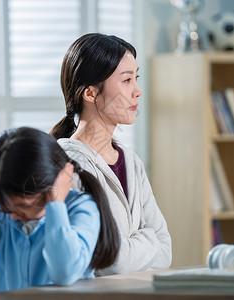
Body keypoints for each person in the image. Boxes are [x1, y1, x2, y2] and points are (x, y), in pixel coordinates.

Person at [0, 127, 119, 294]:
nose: (13, 215)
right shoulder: (3, 215)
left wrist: (55, 205)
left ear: (52, 185)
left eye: (23, 206)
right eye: (7, 207)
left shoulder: (80, 209)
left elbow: (64, 272)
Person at [50, 33, 172, 276]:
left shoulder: (131, 162)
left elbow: (165, 252)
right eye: (126, 80)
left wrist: (130, 247)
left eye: (136, 78)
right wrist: (148, 237)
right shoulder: (67, 165)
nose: (138, 91)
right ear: (90, 93)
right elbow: (109, 261)